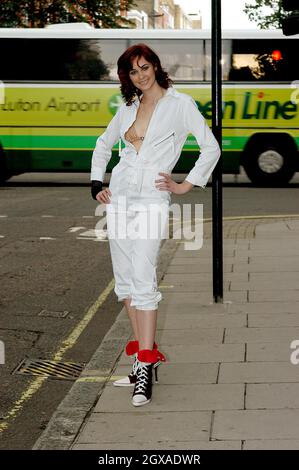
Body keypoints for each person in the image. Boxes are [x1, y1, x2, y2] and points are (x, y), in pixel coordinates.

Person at [90, 43, 221, 407]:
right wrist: (96, 183)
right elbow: (103, 144)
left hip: (151, 201)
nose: (140, 75)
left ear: (156, 67)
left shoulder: (181, 106)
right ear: (127, 77)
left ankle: (145, 368)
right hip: (118, 200)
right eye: (133, 71)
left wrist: (185, 185)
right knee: (127, 282)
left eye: (144, 67)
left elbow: (210, 148)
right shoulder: (129, 107)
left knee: (144, 277)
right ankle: (141, 358)